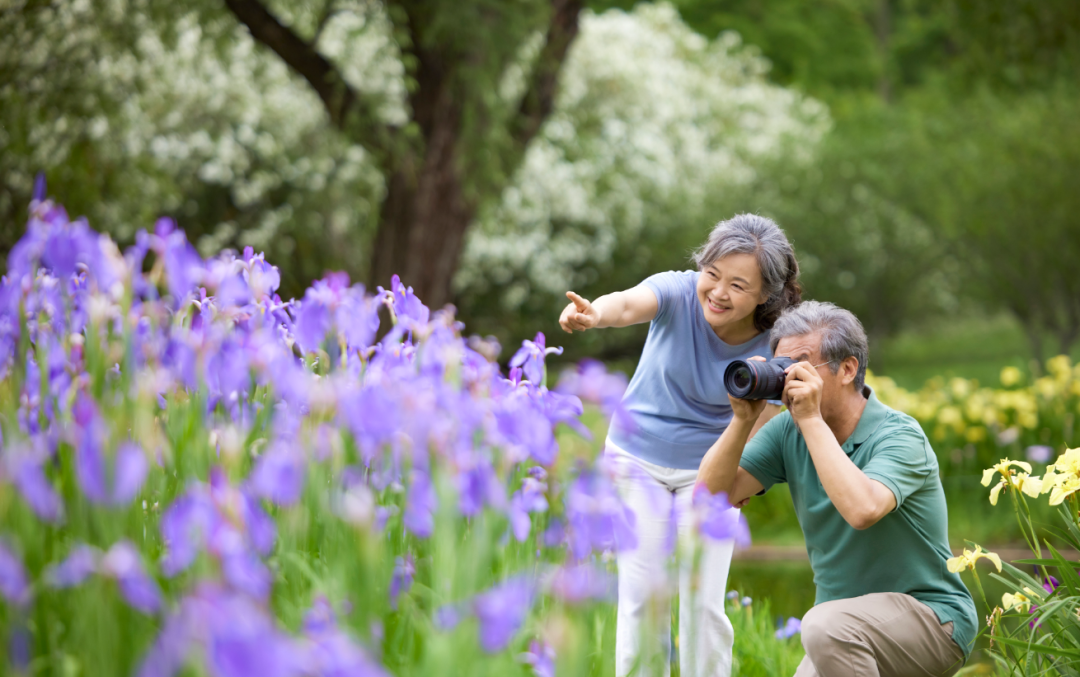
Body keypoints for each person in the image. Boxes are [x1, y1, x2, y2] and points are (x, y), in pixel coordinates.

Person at [559, 214, 801, 677]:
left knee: (703, 600)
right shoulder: (677, 290)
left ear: (766, 294)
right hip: (635, 460)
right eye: (711, 274)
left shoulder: (777, 341)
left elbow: (765, 420)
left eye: (737, 284)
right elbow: (628, 304)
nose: (717, 292)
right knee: (642, 594)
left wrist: (742, 479)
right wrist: (594, 314)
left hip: (711, 471)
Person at [697, 301, 978, 677]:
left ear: (848, 369)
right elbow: (710, 496)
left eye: (801, 364)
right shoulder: (786, 432)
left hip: (932, 618)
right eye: (782, 366)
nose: (788, 378)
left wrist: (811, 419)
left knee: (823, 624)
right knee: (826, 627)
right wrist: (741, 420)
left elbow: (863, 509)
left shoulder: (899, 435)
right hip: (840, 628)